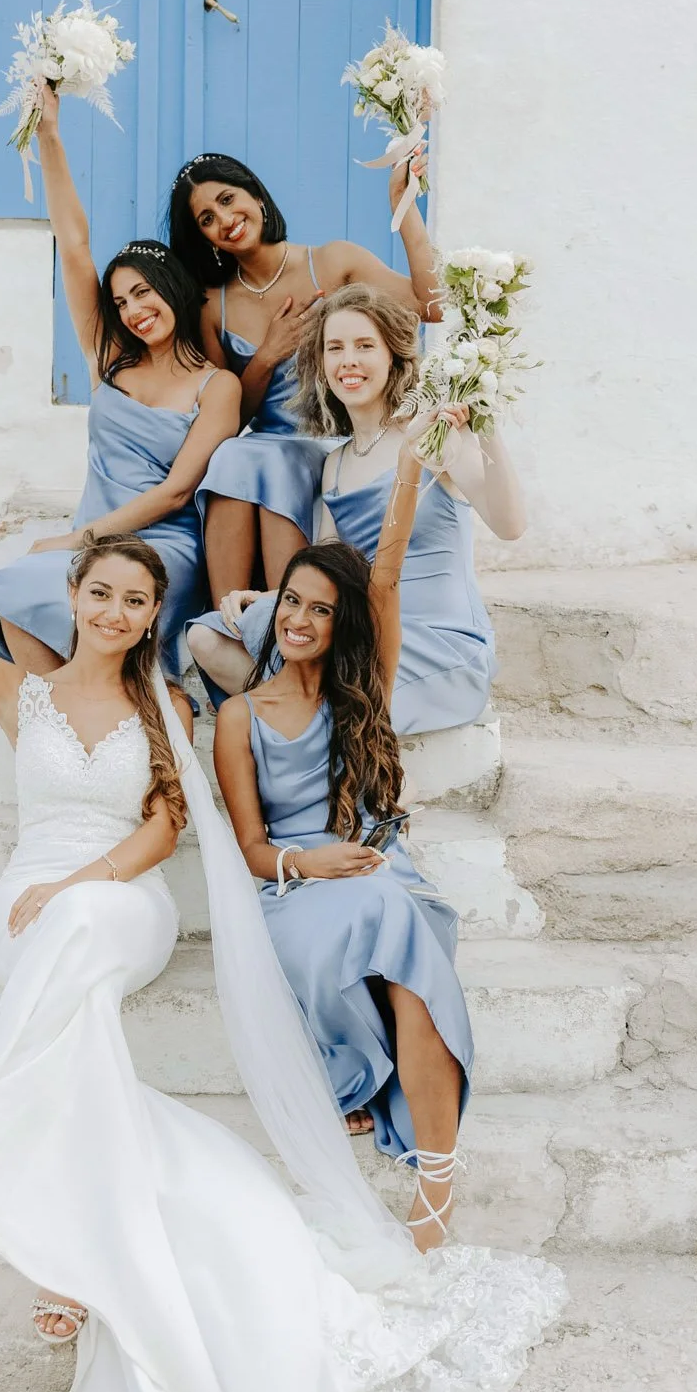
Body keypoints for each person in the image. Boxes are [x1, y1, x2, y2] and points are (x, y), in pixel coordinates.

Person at [0, 494, 564, 1392]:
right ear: (74, 598)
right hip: (26, 907)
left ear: (153, 615)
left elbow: (162, 826)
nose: (113, 609)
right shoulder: (25, 697)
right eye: (99, 592)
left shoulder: (168, 711)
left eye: (135, 598)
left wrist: (86, 880)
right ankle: (78, 1263)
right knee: (73, 1005)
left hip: (117, 898)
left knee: (88, 932)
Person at [211, 425, 474, 1233]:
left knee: (392, 916)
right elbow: (252, 852)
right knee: (375, 915)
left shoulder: (363, 695)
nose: (297, 618)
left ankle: (436, 1188)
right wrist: (312, 863)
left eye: (320, 610)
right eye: (290, 600)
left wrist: (413, 462)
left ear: (341, 624)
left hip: (371, 870)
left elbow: (386, 577)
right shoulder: (237, 716)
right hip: (294, 888)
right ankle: (357, 1083)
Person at [0, 85, 241, 681]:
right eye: (121, 302)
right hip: (94, 541)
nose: (135, 310)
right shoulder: (111, 359)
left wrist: (74, 539)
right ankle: (70, 719)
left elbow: (174, 495)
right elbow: (76, 245)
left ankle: (99, 711)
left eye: (144, 292)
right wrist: (49, 136)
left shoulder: (218, 388)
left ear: (174, 291)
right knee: (11, 591)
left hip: (162, 546)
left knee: (87, 589)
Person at [188, 285, 525, 730]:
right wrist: (270, 598)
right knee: (207, 636)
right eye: (335, 348)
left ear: (393, 356)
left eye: (365, 346)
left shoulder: (434, 437)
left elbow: (510, 525)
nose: (348, 360)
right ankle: (306, 714)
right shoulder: (336, 465)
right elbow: (327, 577)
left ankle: (304, 718)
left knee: (338, 679)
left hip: (437, 643)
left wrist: (486, 424)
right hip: (362, 635)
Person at [167, 148, 441, 601]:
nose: (225, 219)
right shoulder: (213, 305)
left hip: (335, 436)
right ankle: (231, 619)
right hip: (265, 441)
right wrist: (266, 355)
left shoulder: (332, 262)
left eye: (229, 199)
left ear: (256, 196)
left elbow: (431, 306)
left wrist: (405, 209)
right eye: (207, 219)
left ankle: (287, 621)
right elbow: (228, 417)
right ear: (205, 239)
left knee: (269, 459)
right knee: (232, 454)